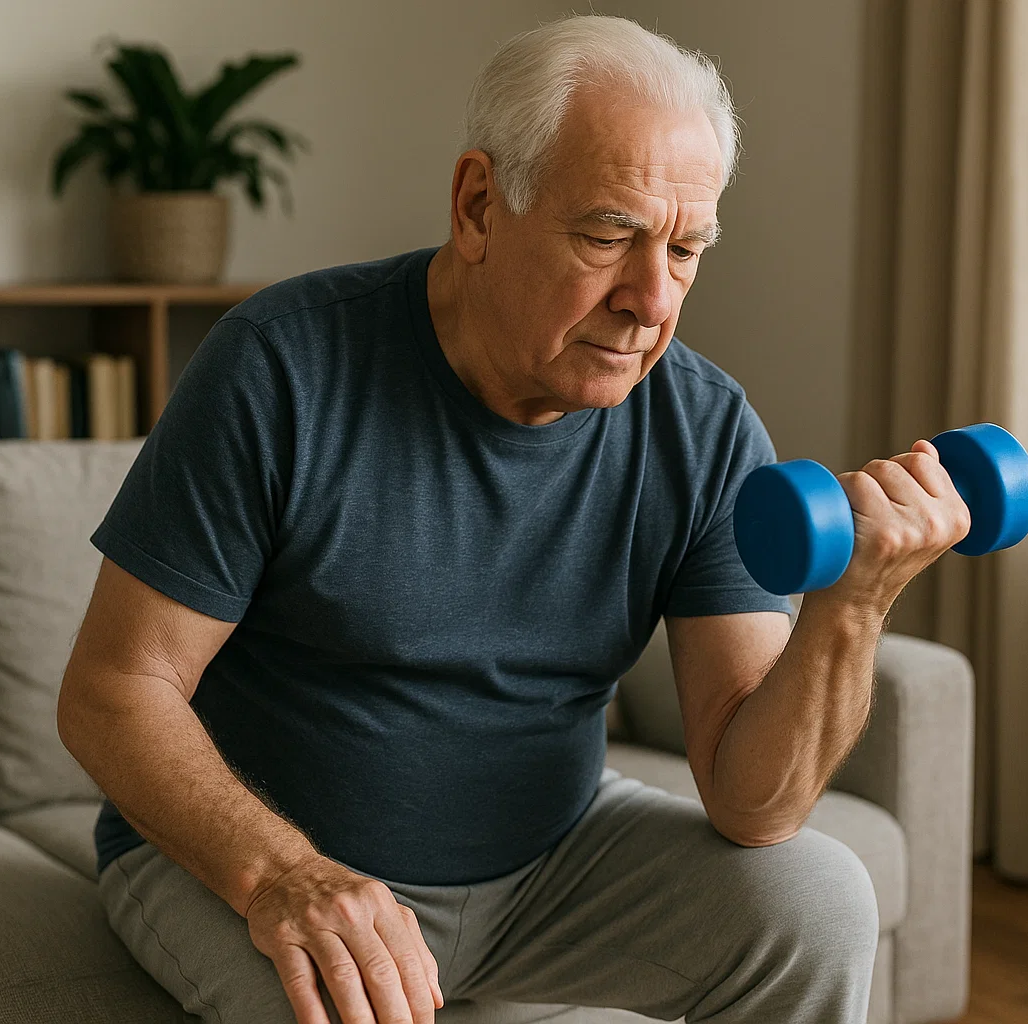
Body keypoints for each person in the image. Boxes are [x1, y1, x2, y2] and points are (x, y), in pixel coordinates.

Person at [57, 14, 970, 1024]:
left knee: (816, 897)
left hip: (550, 865)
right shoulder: (281, 366)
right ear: (480, 205)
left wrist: (853, 607)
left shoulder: (706, 428)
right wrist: (283, 874)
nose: (650, 299)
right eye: (610, 234)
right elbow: (114, 690)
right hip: (258, 865)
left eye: (686, 247)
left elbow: (755, 806)